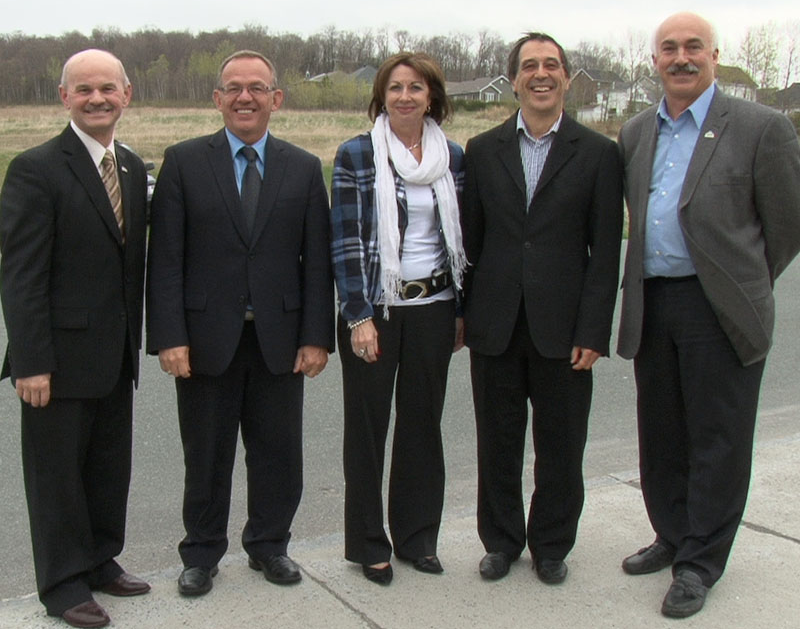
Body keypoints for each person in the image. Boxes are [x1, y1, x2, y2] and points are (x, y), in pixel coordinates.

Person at [617, 11, 800, 619]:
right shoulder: (637, 132)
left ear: (714, 55)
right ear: (654, 62)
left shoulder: (760, 127)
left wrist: (740, 280)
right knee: (662, 432)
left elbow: (786, 225)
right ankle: (672, 535)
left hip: (718, 306)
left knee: (718, 438)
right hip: (655, 301)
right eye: (668, 48)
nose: (681, 58)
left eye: (693, 47)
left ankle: (701, 561)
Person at [146, 50, 335, 596]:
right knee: (206, 453)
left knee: (279, 453)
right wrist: (170, 337)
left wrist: (317, 335)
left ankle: (270, 546)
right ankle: (201, 554)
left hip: (279, 337)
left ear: (276, 98)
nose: (245, 97)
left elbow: (316, 260)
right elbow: (167, 260)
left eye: (257, 87)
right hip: (206, 340)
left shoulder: (302, 167)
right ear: (217, 99)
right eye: (234, 88)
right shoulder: (183, 161)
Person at [461, 33, 623, 585]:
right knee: (497, 443)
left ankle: (551, 543)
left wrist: (595, 329)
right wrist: (465, 314)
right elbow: (470, 243)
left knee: (561, 445)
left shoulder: (600, 153)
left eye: (552, 64)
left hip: (565, 329)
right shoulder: (483, 151)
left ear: (567, 77)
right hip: (496, 325)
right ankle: (502, 541)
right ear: (514, 80)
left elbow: (606, 253)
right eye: (530, 65)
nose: (541, 74)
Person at [0, 49, 150, 629]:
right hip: (55, 363)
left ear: (126, 94)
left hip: (114, 354)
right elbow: (21, 275)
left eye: (107, 89)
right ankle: (63, 585)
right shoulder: (35, 169)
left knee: (109, 467)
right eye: (83, 89)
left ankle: (99, 560)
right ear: (64, 97)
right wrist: (31, 361)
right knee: (56, 476)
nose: (97, 99)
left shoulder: (133, 168)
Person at [330, 52, 467, 585]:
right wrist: (358, 315)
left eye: (415, 87)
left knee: (422, 426)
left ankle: (416, 538)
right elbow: (344, 241)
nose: (405, 96)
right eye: (395, 88)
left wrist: (459, 309)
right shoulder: (358, 154)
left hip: (434, 308)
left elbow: (460, 239)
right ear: (381, 97)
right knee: (367, 430)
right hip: (376, 311)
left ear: (431, 95)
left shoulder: (452, 157)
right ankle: (369, 543)